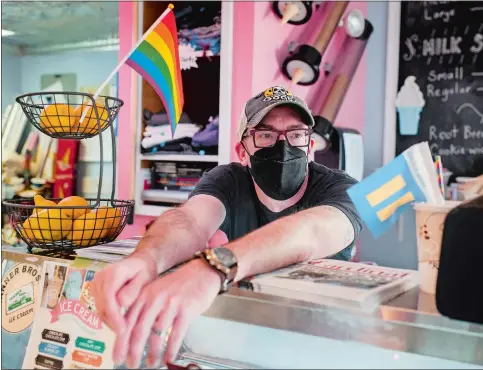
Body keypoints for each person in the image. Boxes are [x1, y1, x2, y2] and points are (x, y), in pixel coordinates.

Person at [91, 86, 364, 368]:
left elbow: (313, 231)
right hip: (246, 337)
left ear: (310, 148)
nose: (284, 146)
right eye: (266, 135)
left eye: (296, 134)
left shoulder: (342, 188)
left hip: (322, 342)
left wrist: (217, 266)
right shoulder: (229, 180)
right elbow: (189, 220)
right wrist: (148, 257)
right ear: (242, 152)